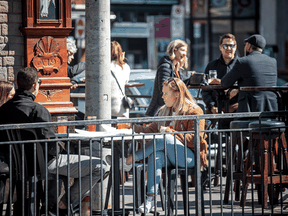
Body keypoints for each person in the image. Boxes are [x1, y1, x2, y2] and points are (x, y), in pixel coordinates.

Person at [0, 67, 109, 214]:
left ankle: (54, 206)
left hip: (14, 163)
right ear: (35, 85)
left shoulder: (3, 110)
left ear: (18, 84)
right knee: (100, 166)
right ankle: (63, 205)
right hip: (42, 164)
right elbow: (50, 145)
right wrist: (60, 148)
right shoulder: (38, 110)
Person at [122, 78, 207, 213]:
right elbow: (151, 130)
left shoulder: (195, 111)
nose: (162, 97)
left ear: (177, 94)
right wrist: (131, 128)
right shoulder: (165, 110)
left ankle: (131, 159)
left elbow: (195, 139)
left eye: (165, 94)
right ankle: (150, 200)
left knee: (165, 137)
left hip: (190, 157)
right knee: (156, 155)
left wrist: (171, 132)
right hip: (171, 154)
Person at [221, 34, 278, 112]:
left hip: (249, 114)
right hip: (271, 111)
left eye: (245, 45)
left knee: (227, 120)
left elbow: (225, 83)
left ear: (249, 46)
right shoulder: (273, 61)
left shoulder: (243, 61)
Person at [145, 39, 190, 117]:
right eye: (182, 50)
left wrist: (196, 78)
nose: (185, 54)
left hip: (167, 111)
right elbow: (164, 88)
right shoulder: (165, 67)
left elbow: (184, 81)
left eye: (186, 51)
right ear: (174, 50)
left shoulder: (176, 69)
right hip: (159, 113)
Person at [202, 33, 239, 117]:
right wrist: (211, 106)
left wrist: (237, 90)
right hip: (215, 108)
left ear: (235, 47)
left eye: (231, 46)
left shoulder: (241, 65)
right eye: (225, 46)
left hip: (236, 109)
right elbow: (205, 90)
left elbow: (248, 85)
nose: (228, 48)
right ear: (220, 47)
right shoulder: (211, 65)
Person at [110, 40, 131, 118]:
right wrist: (122, 59)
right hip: (121, 106)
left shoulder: (105, 66)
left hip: (107, 106)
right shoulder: (126, 67)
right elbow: (126, 80)